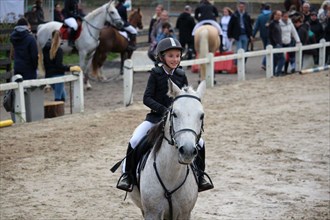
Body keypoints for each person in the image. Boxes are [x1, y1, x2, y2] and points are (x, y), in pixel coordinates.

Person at [116, 37, 214, 193]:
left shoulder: (181, 75)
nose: (175, 59)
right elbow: (146, 98)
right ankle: (127, 176)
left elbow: (186, 98)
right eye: (170, 56)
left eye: (177, 55)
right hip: (156, 119)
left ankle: (200, 176)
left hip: (178, 122)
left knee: (201, 143)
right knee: (135, 140)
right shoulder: (155, 74)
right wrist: (164, 110)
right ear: (162, 57)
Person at [42, 30, 81, 102]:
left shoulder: (45, 48)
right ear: (60, 38)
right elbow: (59, 66)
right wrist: (70, 68)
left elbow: (46, 63)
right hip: (58, 76)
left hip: (48, 75)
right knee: (58, 97)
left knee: (63, 96)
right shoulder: (59, 50)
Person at [252, 4, 272, 70]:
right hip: (271, 35)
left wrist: (253, 35)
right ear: (269, 8)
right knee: (269, 48)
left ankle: (266, 63)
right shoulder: (272, 15)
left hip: (263, 35)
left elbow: (256, 27)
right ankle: (265, 63)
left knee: (266, 48)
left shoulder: (260, 16)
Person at [268, 10, 285, 77]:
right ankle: (278, 72)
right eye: (278, 15)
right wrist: (274, 43)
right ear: (274, 15)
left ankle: (273, 73)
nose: (279, 16)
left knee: (275, 60)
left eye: (280, 15)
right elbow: (270, 35)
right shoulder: (272, 24)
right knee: (282, 59)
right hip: (276, 44)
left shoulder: (278, 23)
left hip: (279, 43)